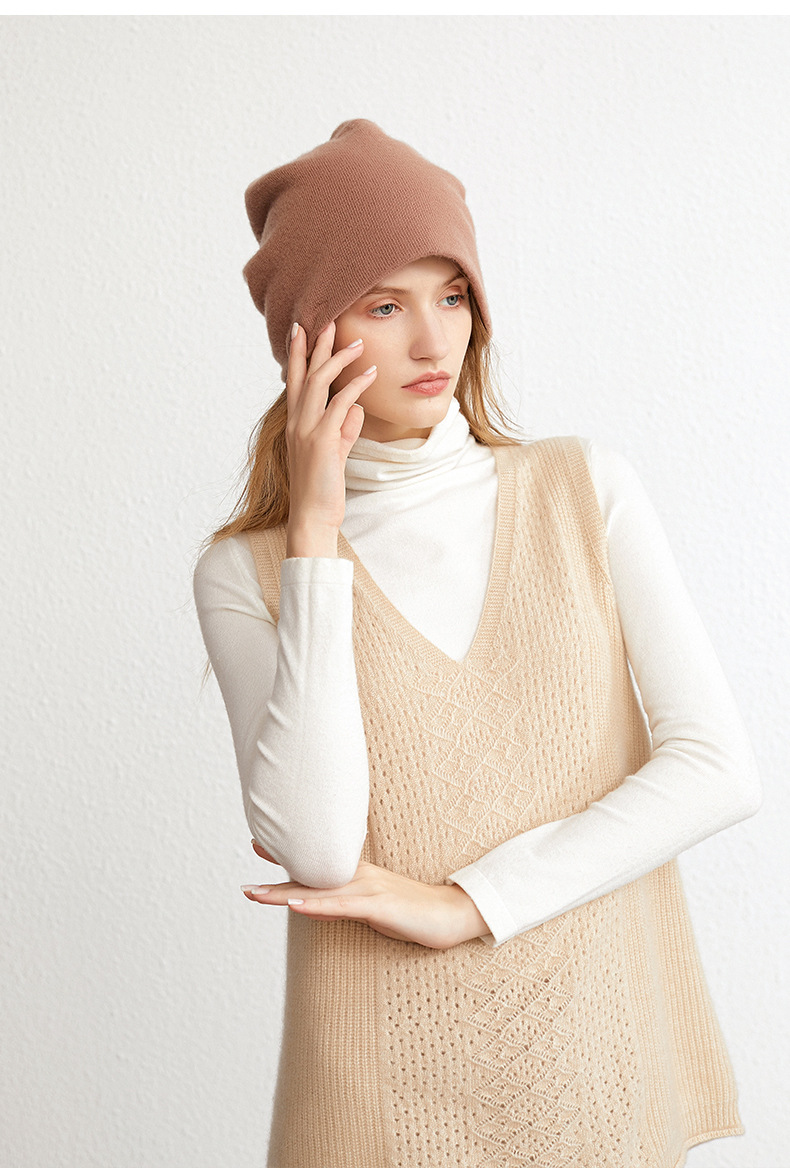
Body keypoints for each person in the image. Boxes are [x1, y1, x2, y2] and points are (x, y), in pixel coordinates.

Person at [193, 119, 762, 1168]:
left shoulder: (581, 491)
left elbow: (717, 768)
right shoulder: (249, 572)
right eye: (384, 305)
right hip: (379, 1103)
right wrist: (315, 533)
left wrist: (472, 903)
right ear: (308, 335)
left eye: (452, 295)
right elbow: (318, 850)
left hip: (592, 1065)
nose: (433, 341)